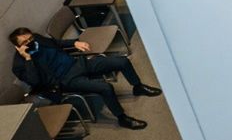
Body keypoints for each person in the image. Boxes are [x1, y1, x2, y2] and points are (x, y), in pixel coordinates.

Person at [9, 28, 160, 130]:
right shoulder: (19, 65)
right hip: (64, 81)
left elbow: (56, 43)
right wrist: (28, 58)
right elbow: (35, 82)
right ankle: (122, 118)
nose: (30, 42)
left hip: (79, 63)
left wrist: (74, 42)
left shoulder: (38, 40)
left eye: (30, 38)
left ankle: (138, 87)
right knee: (105, 87)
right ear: (17, 47)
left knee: (122, 61)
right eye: (25, 43)